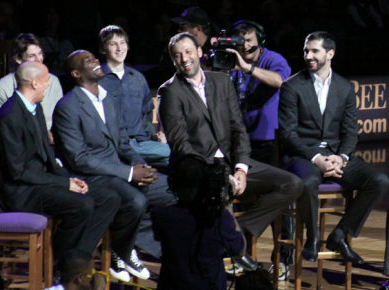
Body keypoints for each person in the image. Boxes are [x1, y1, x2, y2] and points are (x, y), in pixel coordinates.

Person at [158, 32, 303, 270]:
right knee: (218, 192)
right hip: (197, 168)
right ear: (173, 61)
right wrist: (217, 175)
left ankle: (238, 232)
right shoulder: (170, 91)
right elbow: (181, 145)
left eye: (188, 52)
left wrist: (241, 169)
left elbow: (238, 129)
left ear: (199, 52)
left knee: (292, 184)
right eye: (177, 55)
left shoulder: (221, 81)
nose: (184, 59)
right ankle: (231, 244)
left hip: (231, 161)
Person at [52, 50, 176, 281]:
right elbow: (79, 159)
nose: (96, 61)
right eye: (88, 61)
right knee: (136, 201)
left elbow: (123, 143)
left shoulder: (107, 99)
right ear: (77, 73)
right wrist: (129, 172)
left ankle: (126, 243)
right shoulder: (67, 107)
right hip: (94, 176)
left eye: (94, 58)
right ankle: (122, 250)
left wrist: (141, 166)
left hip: (119, 170)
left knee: (172, 190)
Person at [279, 31, 389, 264]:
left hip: (335, 154)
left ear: (330, 53)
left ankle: (339, 234)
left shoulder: (344, 87)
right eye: (306, 50)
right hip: (304, 154)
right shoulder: (292, 86)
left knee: (379, 181)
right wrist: (317, 158)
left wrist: (342, 157)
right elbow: (288, 134)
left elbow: (351, 132)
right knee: (307, 182)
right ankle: (312, 237)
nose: (308, 55)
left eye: (314, 51)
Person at [0, 61, 116, 263]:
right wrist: (64, 184)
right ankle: (58, 263)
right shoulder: (9, 117)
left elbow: (48, 157)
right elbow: (18, 172)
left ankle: (77, 259)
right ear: (34, 83)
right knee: (81, 206)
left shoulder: (35, 107)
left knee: (109, 198)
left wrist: (70, 179)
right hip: (22, 191)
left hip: (43, 182)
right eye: (46, 80)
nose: (49, 84)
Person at [227, 19, 293, 279]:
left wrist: (247, 68)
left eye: (249, 42)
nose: (244, 47)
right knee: (238, 197)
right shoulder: (229, 60)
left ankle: (283, 260)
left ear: (260, 41)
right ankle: (242, 256)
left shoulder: (273, 59)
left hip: (269, 140)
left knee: (281, 201)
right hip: (241, 142)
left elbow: (280, 81)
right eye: (239, 42)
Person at [152, 155, 245, 290]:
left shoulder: (161, 215)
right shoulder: (219, 218)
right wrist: (225, 203)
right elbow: (239, 249)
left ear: (173, 184)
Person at [97, 25, 170, 168]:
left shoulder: (137, 78)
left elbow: (145, 115)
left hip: (142, 143)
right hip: (115, 144)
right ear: (103, 49)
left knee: (175, 158)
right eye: (113, 44)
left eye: (122, 43)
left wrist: (154, 136)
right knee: (170, 153)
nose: (119, 48)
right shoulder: (97, 80)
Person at [0, 33, 62, 131]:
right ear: (18, 59)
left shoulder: (53, 82)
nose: (39, 59)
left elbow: (61, 119)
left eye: (40, 54)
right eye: (32, 56)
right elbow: (1, 131)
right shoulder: (2, 88)